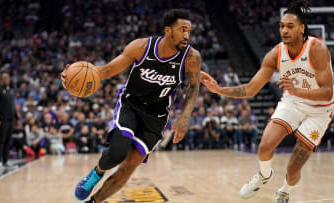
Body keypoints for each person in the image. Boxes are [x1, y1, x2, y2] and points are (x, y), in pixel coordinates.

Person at [61, 9, 201, 203]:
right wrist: (72, 77)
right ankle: (97, 173)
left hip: (157, 116)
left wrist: (185, 116)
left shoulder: (191, 57)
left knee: (128, 168)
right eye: (182, 29)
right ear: (168, 30)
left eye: (189, 31)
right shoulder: (141, 47)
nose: (187, 35)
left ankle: (94, 202)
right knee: (118, 152)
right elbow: (109, 69)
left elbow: (194, 87)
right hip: (131, 104)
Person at [200, 1, 333, 202]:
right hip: (293, 103)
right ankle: (264, 174)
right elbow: (251, 89)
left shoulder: (317, 49)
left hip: (320, 111)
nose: (284, 30)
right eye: (282, 26)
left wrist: (297, 90)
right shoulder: (276, 54)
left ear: (302, 28)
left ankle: (285, 191)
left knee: (293, 166)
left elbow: (328, 93)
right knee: (264, 147)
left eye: (290, 26)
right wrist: (219, 89)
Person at [0, 72, 17, 167]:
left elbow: (12, 106)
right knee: (0, 141)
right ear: (1, 79)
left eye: (8, 78)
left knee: (7, 141)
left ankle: (5, 160)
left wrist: (16, 118)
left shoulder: (10, 90)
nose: (7, 80)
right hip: (1, 120)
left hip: (10, 120)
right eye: (5, 78)